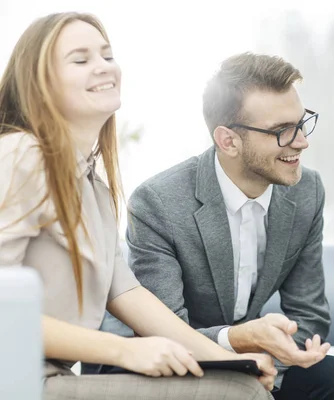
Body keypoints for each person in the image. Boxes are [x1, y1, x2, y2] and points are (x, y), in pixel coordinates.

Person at [0, 12, 276, 400]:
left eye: (107, 55)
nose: (103, 68)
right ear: (39, 83)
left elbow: (126, 293)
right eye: (80, 60)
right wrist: (126, 350)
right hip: (16, 380)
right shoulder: (22, 156)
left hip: (43, 378)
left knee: (241, 385)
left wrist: (229, 359)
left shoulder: (92, 184)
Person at [96, 52, 334, 400]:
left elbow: (310, 316)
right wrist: (238, 353)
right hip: (161, 360)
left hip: (253, 357)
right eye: (282, 131)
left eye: (302, 123)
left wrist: (268, 363)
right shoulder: (158, 203)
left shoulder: (307, 191)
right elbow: (165, 332)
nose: (302, 141)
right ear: (227, 141)